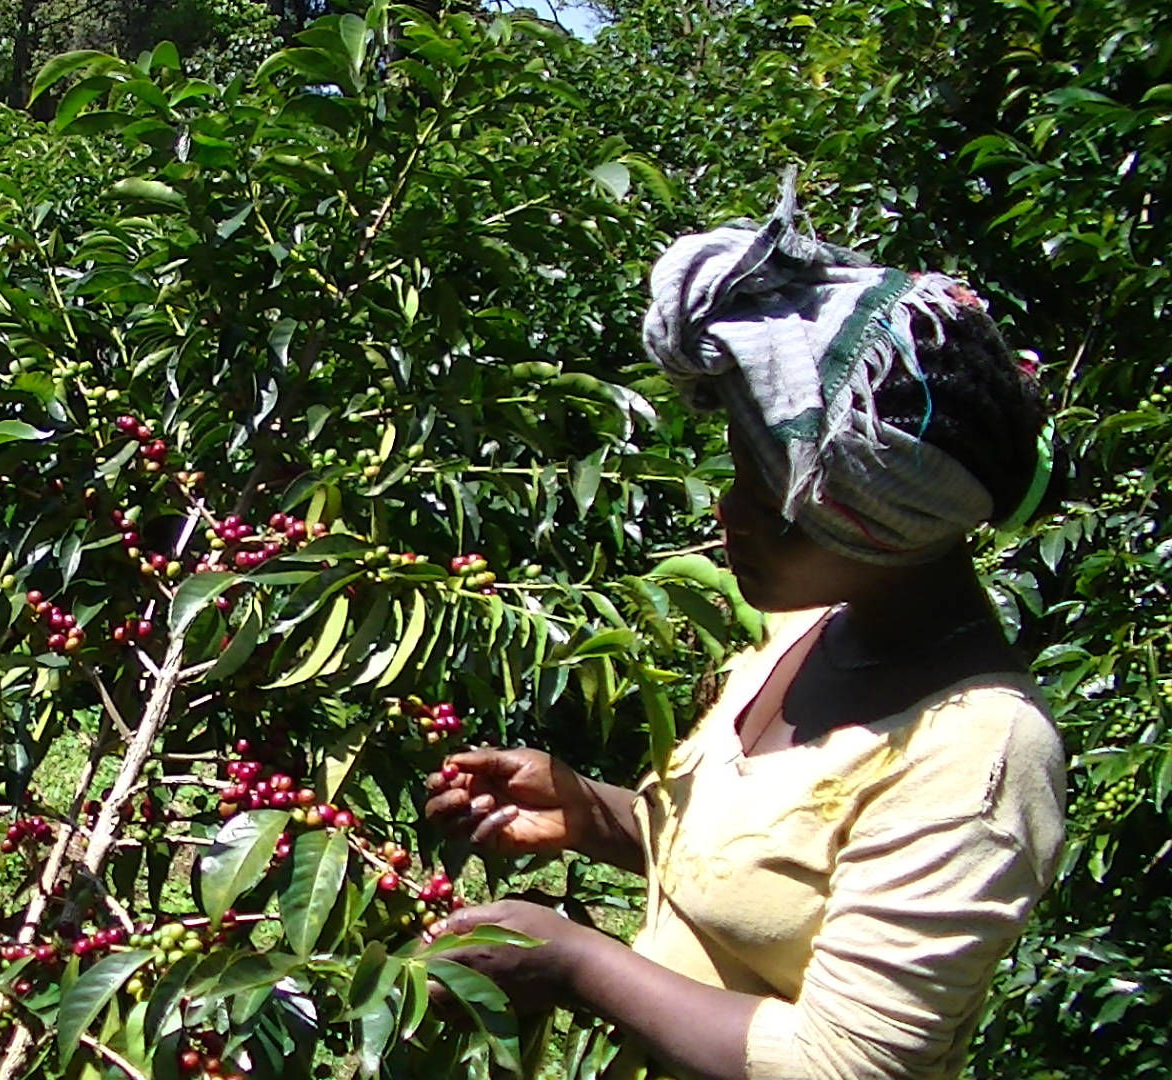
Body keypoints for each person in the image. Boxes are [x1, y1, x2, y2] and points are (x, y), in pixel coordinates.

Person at [423, 183, 1066, 1080]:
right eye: (736, 473)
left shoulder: (978, 755)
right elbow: (769, 870)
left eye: (775, 506)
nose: (727, 514)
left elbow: (854, 1067)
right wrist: (594, 813)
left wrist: (572, 963)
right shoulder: (811, 627)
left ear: (878, 529)